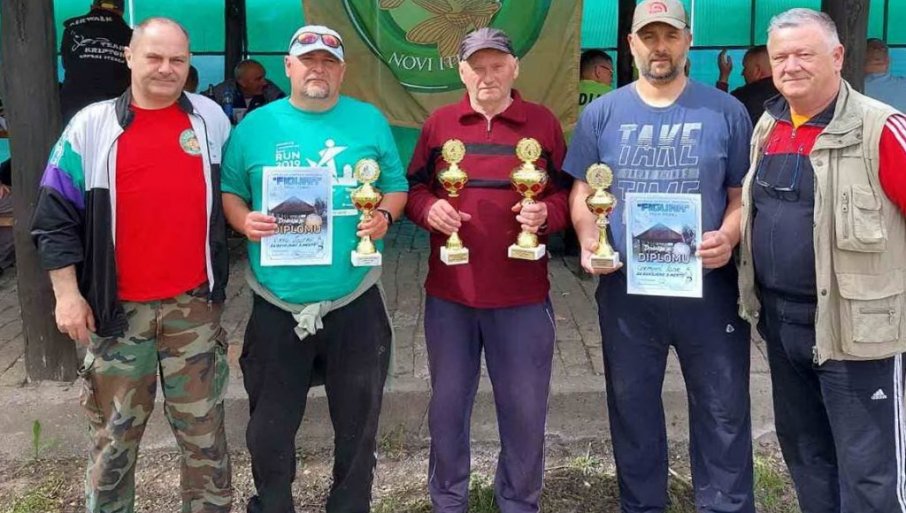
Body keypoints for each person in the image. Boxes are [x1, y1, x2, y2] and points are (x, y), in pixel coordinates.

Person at [31, 17, 232, 513]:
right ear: (129, 56)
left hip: (194, 309)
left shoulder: (210, 119)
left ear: (189, 64)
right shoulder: (91, 127)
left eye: (177, 60)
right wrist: (67, 294)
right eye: (154, 57)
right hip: (117, 313)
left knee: (205, 438)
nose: (166, 69)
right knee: (114, 441)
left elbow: (238, 189)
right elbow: (53, 218)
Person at [564, 1, 755, 511]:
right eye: (648, 37)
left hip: (709, 288)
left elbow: (740, 196)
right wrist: (589, 239)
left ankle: (726, 505)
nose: (660, 47)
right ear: (631, 45)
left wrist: (728, 236)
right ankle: (642, 505)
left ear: (688, 41)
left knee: (723, 410)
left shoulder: (726, 111)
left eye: (670, 36)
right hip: (628, 289)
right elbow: (582, 191)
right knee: (632, 410)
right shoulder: (601, 114)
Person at [220, 24, 408, 513]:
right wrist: (243, 221)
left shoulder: (369, 121)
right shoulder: (255, 127)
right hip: (277, 300)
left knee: (359, 424)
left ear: (342, 70)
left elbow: (396, 185)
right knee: (269, 429)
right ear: (288, 67)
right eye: (308, 61)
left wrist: (385, 215)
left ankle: (350, 505)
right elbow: (231, 192)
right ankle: (273, 504)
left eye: (328, 61)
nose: (318, 69)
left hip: (354, 296)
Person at [738, 9, 906, 512]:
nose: (790, 66)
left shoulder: (880, 128)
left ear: (837, 56)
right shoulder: (768, 125)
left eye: (804, 54)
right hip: (783, 327)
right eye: (780, 57)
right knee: (807, 457)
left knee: (870, 474)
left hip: (858, 334)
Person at [405, 27, 570, 513]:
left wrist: (547, 215)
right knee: (447, 408)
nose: (487, 76)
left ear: (515, 68)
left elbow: (569, 195)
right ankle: (448, 501)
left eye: (497, 66)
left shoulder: (543, 124)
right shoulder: (439, 125)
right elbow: (413, 189)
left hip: (522, 298)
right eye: (477, 67)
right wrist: (428, 209)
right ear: (461, 72)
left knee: (524, 412)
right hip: (451, 296)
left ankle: (518, 502)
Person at [60, 0, 132, 122]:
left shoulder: (71, 27)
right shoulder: (130, 35)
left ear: (93, 6)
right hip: (114, 113)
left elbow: (66, 63)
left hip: (73, 109)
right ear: (121, 11)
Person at [207, 59, 286, 124]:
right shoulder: (223, 91)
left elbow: (285, 112)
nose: (264, 82)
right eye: (258, 79)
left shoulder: (272, 92)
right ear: (242, 82)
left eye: (263, 77)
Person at [717, 45, 779, 125]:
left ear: (757, 71)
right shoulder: (788, 94)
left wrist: (724, 76)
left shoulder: (742, 97)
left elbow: (720, 113)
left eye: (745, 68)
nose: (742, 73)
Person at [864, 38, 906, 113]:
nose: (878, 51)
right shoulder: (850, 85)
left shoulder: (903, 84)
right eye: (873, 49)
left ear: (889, 59)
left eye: (883, 50)